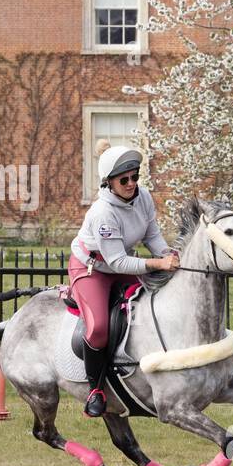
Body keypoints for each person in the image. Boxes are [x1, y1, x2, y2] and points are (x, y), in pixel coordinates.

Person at [69, 145, 179, 417]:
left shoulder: (143, 198)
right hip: (91, 269)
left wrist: (167, 254)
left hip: (119, 263)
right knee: (98, 329)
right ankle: (95, 389)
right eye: (124, 180)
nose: (131, 184)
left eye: (135, 177)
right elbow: (117, 262)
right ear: (109, 183)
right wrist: (158, 263)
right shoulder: (102, 213)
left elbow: (152, 235)